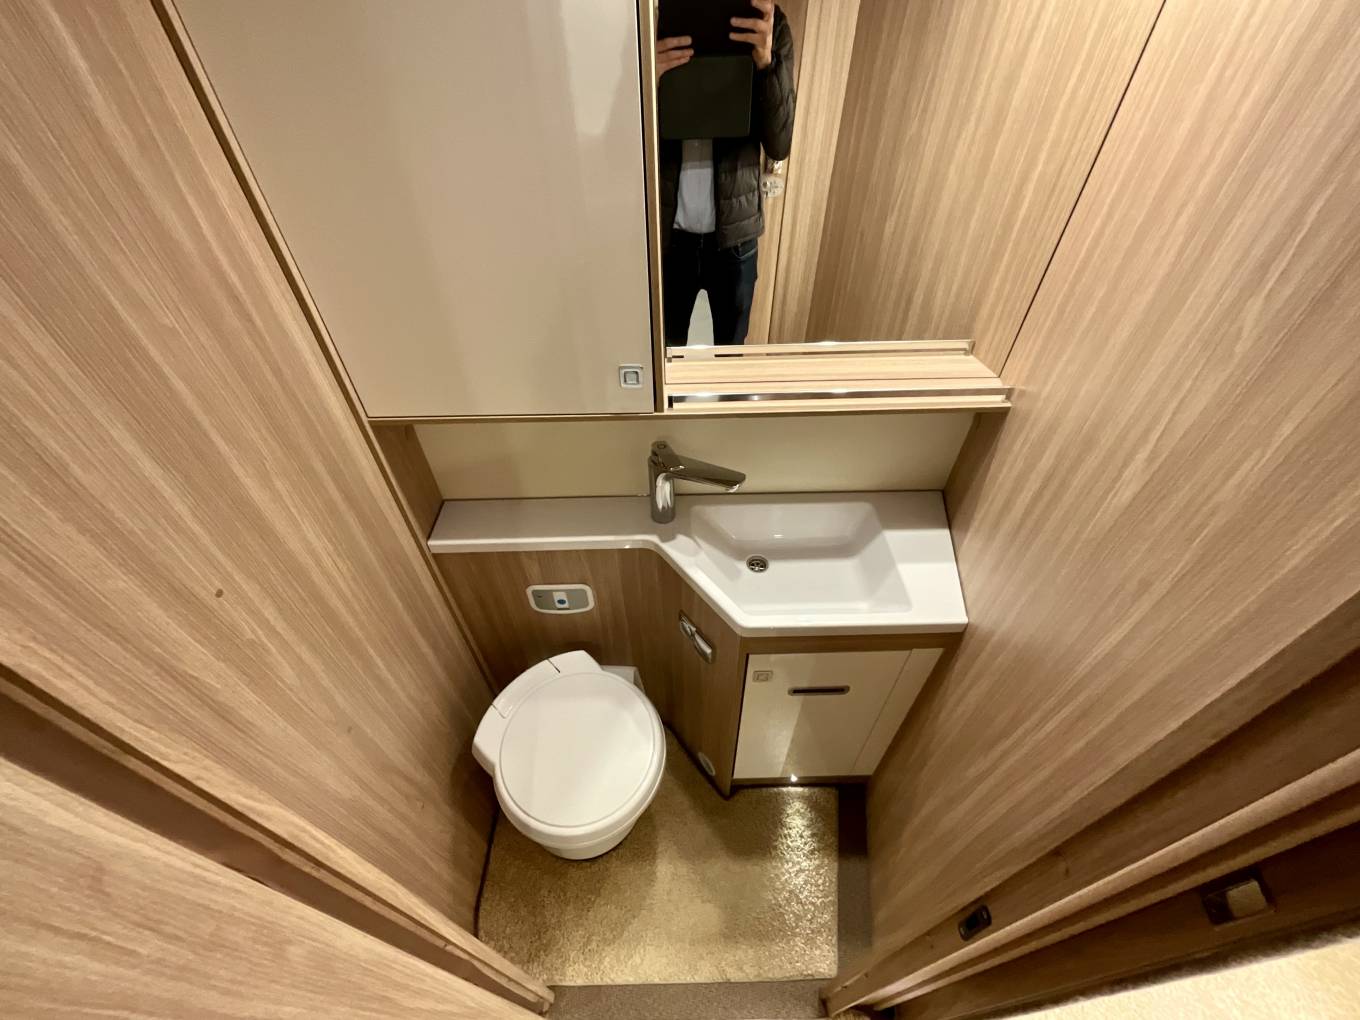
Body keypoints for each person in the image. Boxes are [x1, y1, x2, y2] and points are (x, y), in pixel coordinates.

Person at [657, 1, 795, 346]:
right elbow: (620, 142)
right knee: (665, 352)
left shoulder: (770, 24)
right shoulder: (650, 22)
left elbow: (780, 144)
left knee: (731, 353)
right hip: (668, 238)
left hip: (736, 239)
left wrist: (766, 64)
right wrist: (645, 82)